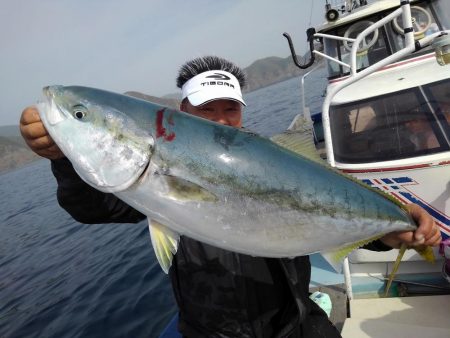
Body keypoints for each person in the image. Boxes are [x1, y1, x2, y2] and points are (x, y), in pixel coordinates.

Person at [20, 56, 441, 338]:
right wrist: (61, 158)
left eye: (230, 109)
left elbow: (321, 207)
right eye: (206, 109)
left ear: (242, 111)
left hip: (292, 323)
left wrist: (392, 230)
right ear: (183, 109)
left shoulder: (271, 158)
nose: (221, 119)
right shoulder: (149, 177)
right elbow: (92, 207)